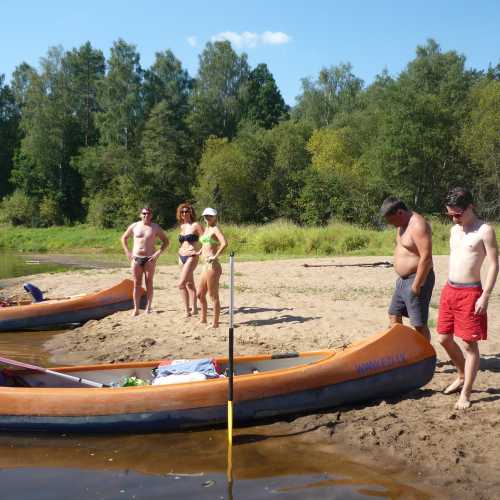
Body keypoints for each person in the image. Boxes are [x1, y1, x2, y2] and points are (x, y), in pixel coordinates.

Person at [437, 187, 498, 410]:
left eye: (458, 214)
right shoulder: (455, 230)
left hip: (471, 293)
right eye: (450, 215)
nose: (454, 218)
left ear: (470, 206)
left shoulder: (485, 230)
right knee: (444, 338)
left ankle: (466, 392)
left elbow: (494, 264)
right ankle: (462, 374)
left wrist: (486, 295)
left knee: (469, 345)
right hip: (450, 290)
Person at [380, 196, 434, 340]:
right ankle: (401, 349)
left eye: (391, 220)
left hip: (417, 279)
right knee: (393, 314)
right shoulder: (400, 224)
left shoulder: (418, 225)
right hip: (402, 280)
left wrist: (417, 285)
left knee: (418, 324)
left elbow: (426, 257)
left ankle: (425, 357)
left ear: (399, 213)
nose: (390, 224)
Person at [121, 207, 169, 316]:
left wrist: (157, 253)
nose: (146, 215)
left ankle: (148, 307)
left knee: (149, 282)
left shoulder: (155, 227)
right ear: (140, 215)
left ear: (151, 215)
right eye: (144, 213)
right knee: (137, 284)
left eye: (148, 213)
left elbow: (166, 241)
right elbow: (123, 238)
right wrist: (127, 252)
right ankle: (136, 309)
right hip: (136, 258)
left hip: (149, 258)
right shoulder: (134, 226)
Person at [197, 207, 228, 329]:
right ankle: (203, 319)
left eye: (210, 216)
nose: (207, 218)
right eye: (205, 216)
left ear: (215, 217)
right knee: (200, 294)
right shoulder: (206, 229)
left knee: (213, 295)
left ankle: (215, 323)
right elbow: (206, 244)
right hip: (205, 265)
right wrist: (199, 251)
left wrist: (215, 256)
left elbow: (224, 243)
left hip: (212, 266)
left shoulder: (215, 229)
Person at [176, 203, 203, 317]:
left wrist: (199, 251)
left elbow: (206, 239)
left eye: (187, 211)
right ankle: (195, 309)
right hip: (181, 256)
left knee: (181, 284)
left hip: (192, 256)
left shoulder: (196, 225)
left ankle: (187, 311)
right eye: (182, 212)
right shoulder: (182, 226)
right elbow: (183, 242)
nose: (184, 213)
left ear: (191, 212)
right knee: (189, 284)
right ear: (180, 214)